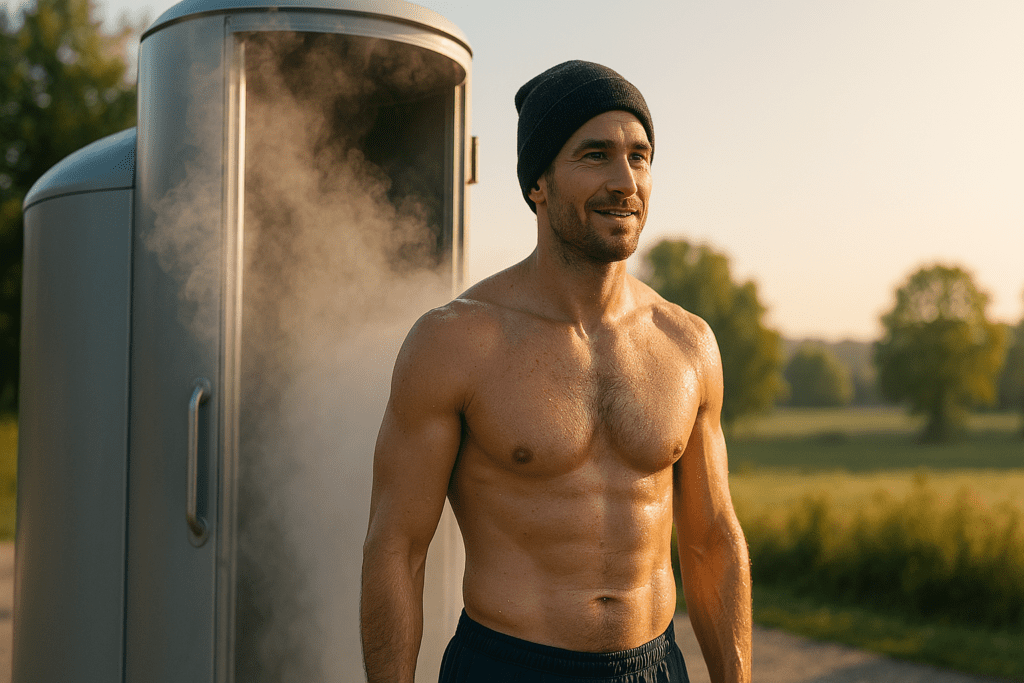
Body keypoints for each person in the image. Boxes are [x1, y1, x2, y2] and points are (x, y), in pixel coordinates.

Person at [361, 60, 752, 683]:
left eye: (640, 156)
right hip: (507, 667)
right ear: (538, 183)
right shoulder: (455, 342)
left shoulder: (687, 343)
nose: (625, 181)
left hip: (654, 667)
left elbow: (712, 541)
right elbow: (397, 549)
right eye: (595, 155)